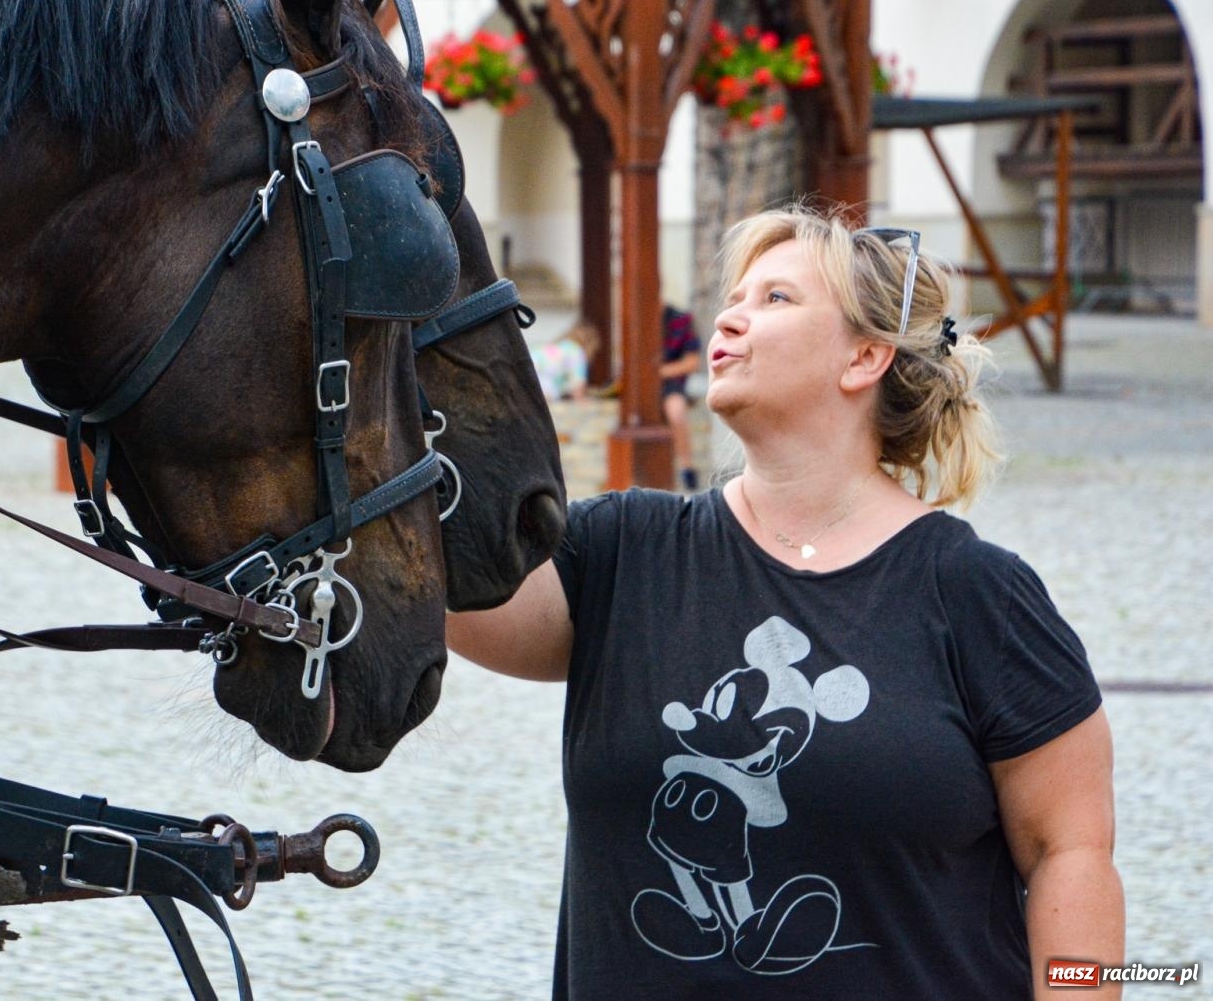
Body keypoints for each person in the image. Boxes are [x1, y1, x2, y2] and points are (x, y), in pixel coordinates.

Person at [447, 207, 1122, 999]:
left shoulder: (979, 596)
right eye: (734, 295)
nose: (728, 315)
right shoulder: (624, 550)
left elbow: (1070, 855)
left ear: (864, 356)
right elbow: (449, 591)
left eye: (775, 299)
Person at [660, 303, 702, 490]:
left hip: (671, 383)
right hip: (636, 385)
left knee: (676, 411)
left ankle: (687, 467)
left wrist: (659, 372)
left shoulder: (680, 319)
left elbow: (692, 362)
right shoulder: (628, 318)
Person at [531, 320, 602, 401]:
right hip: (542, 380)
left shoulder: (562, 346)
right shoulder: (576, 352)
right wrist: (583, 398)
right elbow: (578, 384)